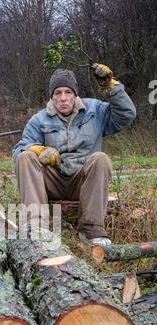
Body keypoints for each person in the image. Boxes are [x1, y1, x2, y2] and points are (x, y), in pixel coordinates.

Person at [12, 64, 136, 246]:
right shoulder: (39, 119)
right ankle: (36, 230)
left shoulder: (95, 110)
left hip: (83, 181)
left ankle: (91, 231)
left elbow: (127, 115)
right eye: (57, 93)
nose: (63, 98)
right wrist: (38, 150)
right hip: (52, 182)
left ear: (75, 94)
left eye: (68, 92)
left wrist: (111, 87)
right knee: (25, 157)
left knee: (100, 159)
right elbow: (18, 151)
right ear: (51, 96)